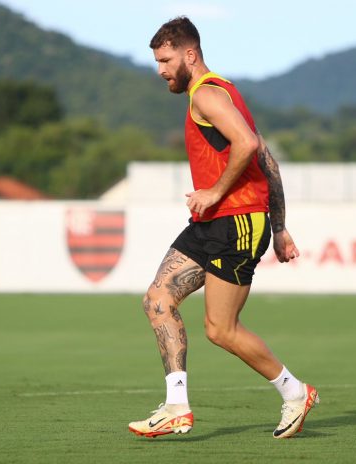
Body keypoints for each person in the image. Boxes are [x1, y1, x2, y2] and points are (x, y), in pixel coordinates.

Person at [128, 16, 318, 439]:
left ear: (189, 55)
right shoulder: (224, 93)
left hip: (237, 222)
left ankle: (295, 393)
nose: (160, 70)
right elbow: (268, 161)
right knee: (158, 299)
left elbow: (249, 147)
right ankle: (177, 406)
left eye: (165, 60)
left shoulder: (207, 95)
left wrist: (213, 191)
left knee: (220, 329)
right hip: (212, 222)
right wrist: (282, 228)